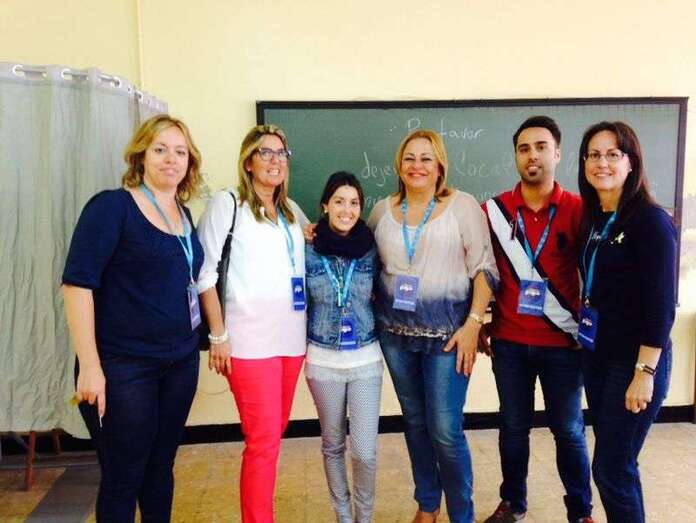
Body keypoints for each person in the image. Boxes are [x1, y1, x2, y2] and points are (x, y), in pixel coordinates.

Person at [62, 114, 204, 522]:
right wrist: (90, 367)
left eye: (180, 152)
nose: (171, 159)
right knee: (123, 477)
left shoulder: (183, 214)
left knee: (160, 469)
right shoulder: (112, 208)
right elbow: (76, 286)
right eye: (160, 149)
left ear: (190, 162)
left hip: (179, 363)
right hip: (123, 367)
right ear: (140, 156)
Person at [367, 129, 498, 523]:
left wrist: (474, 324)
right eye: (409, 158)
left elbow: (484, 268)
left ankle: (462, 514)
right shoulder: (382, 211)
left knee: (444, 429)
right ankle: (427, 504)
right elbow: (357, 252)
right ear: (399, 166)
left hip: (449, 337)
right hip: (395, 337)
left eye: (426, 158)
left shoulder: (463, 206)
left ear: (440, 166)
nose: (417, 165)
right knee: (415, 424)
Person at [481, 116, 593, 523]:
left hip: (564, 345)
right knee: (513, 428)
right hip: (509, 341)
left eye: (541, 147)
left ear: (558, 153)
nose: (532, 155)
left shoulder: (579, 209)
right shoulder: (493, 211)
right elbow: (476, 268)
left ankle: (580, 511)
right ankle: (513, 503)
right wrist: (476, 321)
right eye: (524, 148)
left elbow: (596, 272)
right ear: (515, 155)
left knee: (568, 430)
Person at [196, 124, 308, 523]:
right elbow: (204, 274)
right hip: (247, 343)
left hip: (291, 342)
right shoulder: (228, 204)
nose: (275, 160)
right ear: (248, 161)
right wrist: (218, 335)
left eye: (281, 153)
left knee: (273, 435)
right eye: (266, 152)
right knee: (262, 441)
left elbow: (316, 242)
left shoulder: (291, 210)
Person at [577, 121, 676, 523]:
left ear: (631, 162)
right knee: (619, 465)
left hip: (634, 363)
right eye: (593, 155)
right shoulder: (595, 219)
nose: (601, 163)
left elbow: (662, 306)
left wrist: (644, 372)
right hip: (598, 356)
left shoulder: (651, 221)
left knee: (610, 470)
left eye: (612, 154)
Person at [304, 171, 382, 523]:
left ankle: (363, 517)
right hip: (322, 363)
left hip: (366, 360)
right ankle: (343, 517)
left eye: (353, 203)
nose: (346, 210)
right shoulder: (306, 249)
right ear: (325, 205)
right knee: (333, 446)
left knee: (364, 452)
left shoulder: (372, 248)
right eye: (338, 201)